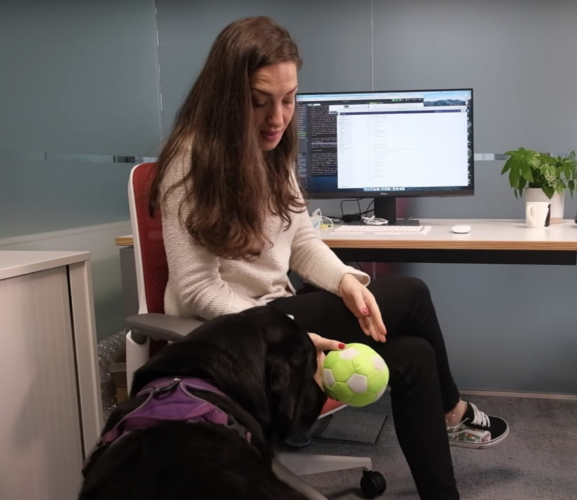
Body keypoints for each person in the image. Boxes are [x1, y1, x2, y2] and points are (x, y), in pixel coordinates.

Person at [148, 16, 509, 500]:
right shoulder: (190, 163)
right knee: (412, 293)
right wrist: (288, 332)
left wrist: (344, 281)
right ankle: (455, 413)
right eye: (259, 102)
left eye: (289, 99)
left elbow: (301, 241)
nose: (277, 117)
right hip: (235, 339)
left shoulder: (273, 155)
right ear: (226, 97)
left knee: (415, 356)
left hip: (278, 318)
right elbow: (195, 290)